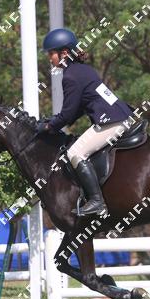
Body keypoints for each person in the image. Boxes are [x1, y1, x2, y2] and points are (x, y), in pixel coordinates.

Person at [36, 28, 134, 217]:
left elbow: (67, 113)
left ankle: (97, 201)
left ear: (64, 53)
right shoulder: (83, 69)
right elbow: (78, 108)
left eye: (51, 53)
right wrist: (56, 121)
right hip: (120, 115)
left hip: (112, 122)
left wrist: (49, 126)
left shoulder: (70, 76)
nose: (49, 58)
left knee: (75, 152)